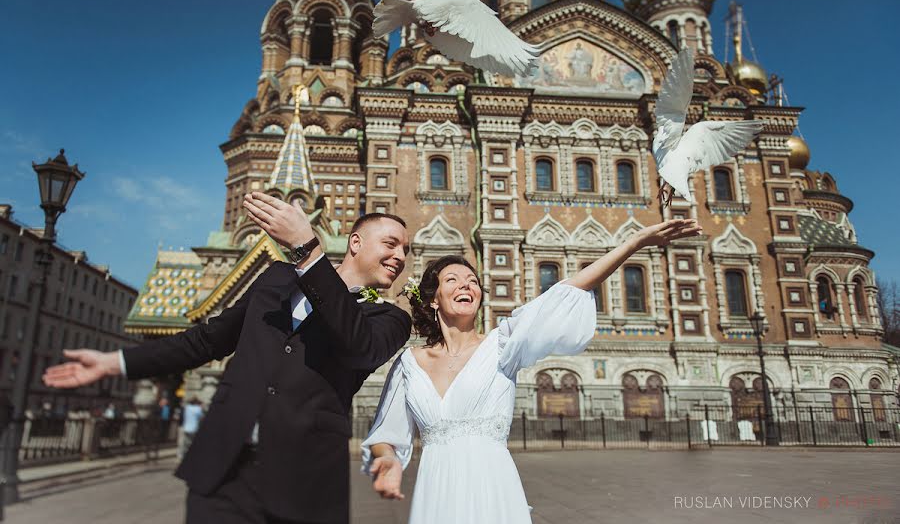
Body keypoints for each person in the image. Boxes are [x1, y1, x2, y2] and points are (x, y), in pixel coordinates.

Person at [42, 192, 412, 524]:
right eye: (391, 244)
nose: (399, 257)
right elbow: (206, 340)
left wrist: (306, 248)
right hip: (224, 469)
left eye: (405, 252)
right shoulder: (277, 280)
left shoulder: (389, 319)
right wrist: (118, 362)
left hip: (304, 480)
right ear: (355, 243)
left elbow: (355, 344)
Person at [361, 218, 702, 524]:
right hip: (437, 490)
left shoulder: (503, 344)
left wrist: (633, 244)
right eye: (453, 280)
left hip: (494, 488)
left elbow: (566, 292)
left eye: (473, 281)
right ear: (433, 299)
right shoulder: (409, 364)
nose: (467, 286)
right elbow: (385, 435)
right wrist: (388, 460)